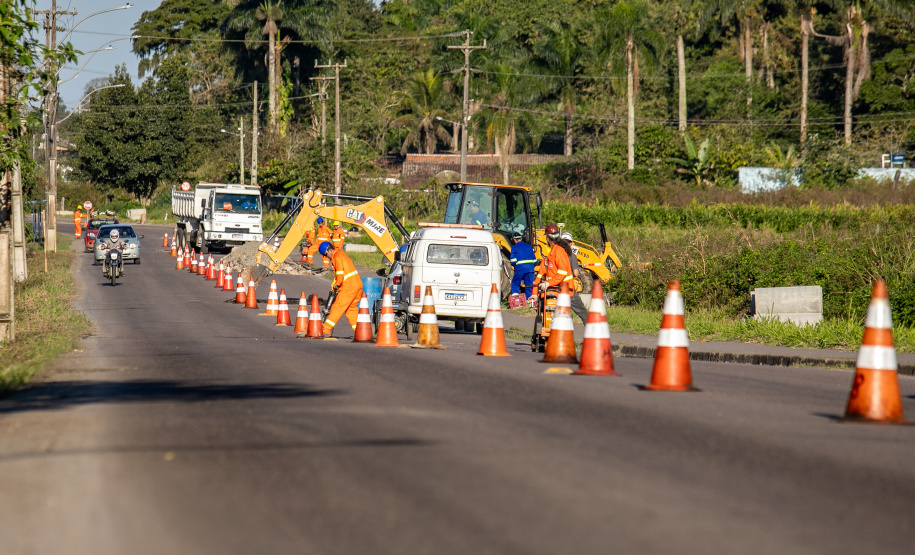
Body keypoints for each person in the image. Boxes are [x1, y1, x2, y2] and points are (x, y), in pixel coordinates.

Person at [319, 241, 363, 337]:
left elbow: (340, 273)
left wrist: (337, 284)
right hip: (357, 284)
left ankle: (325, 329)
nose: (326, 257)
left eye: (326, 255)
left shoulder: (336, 256)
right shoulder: (340, 254)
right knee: (351, 309)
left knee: (337, 307)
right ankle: (360, 331)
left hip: (349, 286)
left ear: (329, 251)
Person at [560, 231, 589, 324]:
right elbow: (576, 274)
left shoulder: (554, 254)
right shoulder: (572, 255)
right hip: (568, 289)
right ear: (571, 243)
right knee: (583, 312)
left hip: (555, 288)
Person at [509, 232, 537, 298]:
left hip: (520, 269)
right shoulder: (528, 246)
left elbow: (513, 260)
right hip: (530, 269)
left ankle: (515, 299)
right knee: (529, 285)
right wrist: (531, 266)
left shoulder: (514, 247)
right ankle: (529, 300)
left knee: (515, 283)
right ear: (521, 238)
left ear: (514, 240)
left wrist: (515, 266)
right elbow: (535, 260)